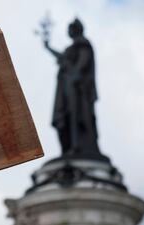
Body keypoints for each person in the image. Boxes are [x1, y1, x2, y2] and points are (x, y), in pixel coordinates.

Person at [44, 18, 100, 156]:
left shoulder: (83, 43)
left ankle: (77, 146)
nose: (68, 31)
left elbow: (83, 61)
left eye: (70, 28)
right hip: (67, 85)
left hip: (77, 87)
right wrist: (48, 47)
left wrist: (76, 74)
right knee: (66, 115)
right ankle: (69, 147)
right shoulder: (72, 48)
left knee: (75, 115)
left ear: (76, 29)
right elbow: (62, 57)